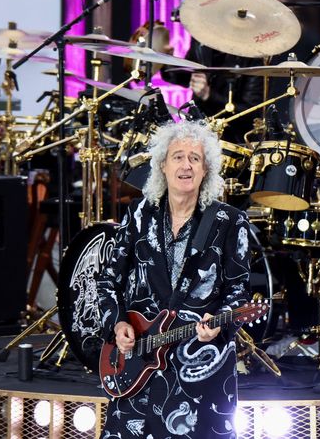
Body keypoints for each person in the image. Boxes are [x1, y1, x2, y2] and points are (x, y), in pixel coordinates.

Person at [96, 120, 251, 438]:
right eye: (178, 156)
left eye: (195, 158)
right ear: (162, 166)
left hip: (199, 371)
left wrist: (221, 322)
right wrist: (118, 322)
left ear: (206, 169)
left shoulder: (231, 222)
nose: (186, 165)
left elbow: (240, 290)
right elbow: (106, 279)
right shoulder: (138, 214)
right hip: (138, 366)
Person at [164, 0, 285, 144]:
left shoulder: (256, 51)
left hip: (235, 143)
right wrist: (163, 60)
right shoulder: (204, 36)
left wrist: (209, 95)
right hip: (198, 132)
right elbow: (188, 76)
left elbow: (251, 113)